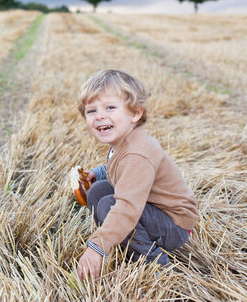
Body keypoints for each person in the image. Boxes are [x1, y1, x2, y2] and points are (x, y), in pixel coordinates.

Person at [75, 69, 198, 280]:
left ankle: (160, 269)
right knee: (98, 191)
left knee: (109, 206)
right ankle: (123, 241)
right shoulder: (123, 143)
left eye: (110, 107)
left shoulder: (138, 153)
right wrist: (97, 173)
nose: (100, 116)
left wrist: (97, 247)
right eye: (91, 111)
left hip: (174, 222)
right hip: (152, 208)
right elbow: (117, 165)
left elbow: (128, 207)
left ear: (135, 113)